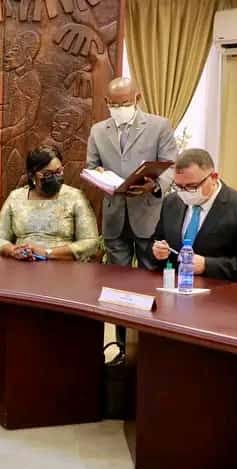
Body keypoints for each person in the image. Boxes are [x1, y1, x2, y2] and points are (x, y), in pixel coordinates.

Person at [87, 77, 177, 348]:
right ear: (107, 102)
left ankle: (150, 347)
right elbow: (91, 165)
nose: (119, 108)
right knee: (118, 287)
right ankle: (123, 347)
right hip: (115, 214)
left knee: (150, 282)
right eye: (114, 105)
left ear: (138, 98)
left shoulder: (159, 125)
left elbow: (171, 165)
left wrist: (155, 185)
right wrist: (99, 175)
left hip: (148, 214)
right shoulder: (98, 130)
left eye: (125, 103)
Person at [151, 148, 237, 282]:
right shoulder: (171, 202)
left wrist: (207, 265)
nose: (184, 192)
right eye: (179, 186)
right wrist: (158, 251)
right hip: (176, 284)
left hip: (223, 288)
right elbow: (158, 241)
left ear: (213, 178)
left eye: (192, 186)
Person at [0, 146, 99, 261]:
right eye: (47, 174)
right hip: (22, 264)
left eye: (59, 172)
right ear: (32, 175)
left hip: (61, 266)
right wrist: (13, 250)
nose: (55, 178)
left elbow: (91, 242)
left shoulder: (74, 197)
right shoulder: (16, 197)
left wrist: (47, 253)